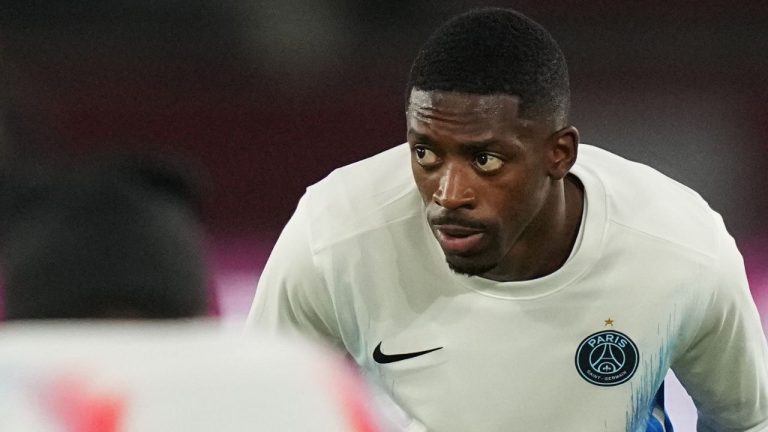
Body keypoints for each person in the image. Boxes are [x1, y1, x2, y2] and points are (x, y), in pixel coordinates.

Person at [247, 7, 768, 432]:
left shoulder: (679, 248)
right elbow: (260, 415)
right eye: (425, 153)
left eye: (485, 160)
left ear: (559, 154)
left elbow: (746, 421)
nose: (448, 195)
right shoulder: (335, 235)